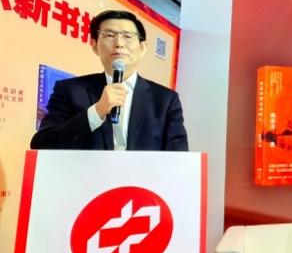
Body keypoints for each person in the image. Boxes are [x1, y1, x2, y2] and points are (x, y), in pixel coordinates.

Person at [30, 9, 188, 151]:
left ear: (142, 48)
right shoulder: (69, 90)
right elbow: (41, 144)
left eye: (128, 36)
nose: (119, 43)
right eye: (109, 35)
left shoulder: (165, 100)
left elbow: (178, 159)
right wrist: (97, 111)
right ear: (94, 46)